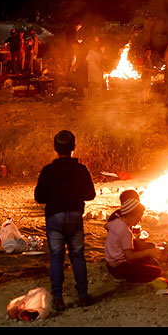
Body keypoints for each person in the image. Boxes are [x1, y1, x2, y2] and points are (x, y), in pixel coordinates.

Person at [34, 130, 96, 311]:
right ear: (73, 148)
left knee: (56, 257)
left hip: (54, 217)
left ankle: (58, 298)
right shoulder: (81, 170)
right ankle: (83, 295)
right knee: (77, 256)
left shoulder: (48, 171)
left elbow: (39, 196)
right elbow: (90, 195)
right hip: (75, 217)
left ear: (55, 148)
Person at [104, 198, 163, 283]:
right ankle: (128, 279)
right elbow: (129, 256)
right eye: (138, 217)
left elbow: (106, 225)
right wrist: (149, 252)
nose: (139, 220)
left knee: (145, 256)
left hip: (110, 265)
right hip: (120, 268)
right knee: (157, 272)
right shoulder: (125, 232)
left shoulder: (114, 223)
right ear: (129, 216)